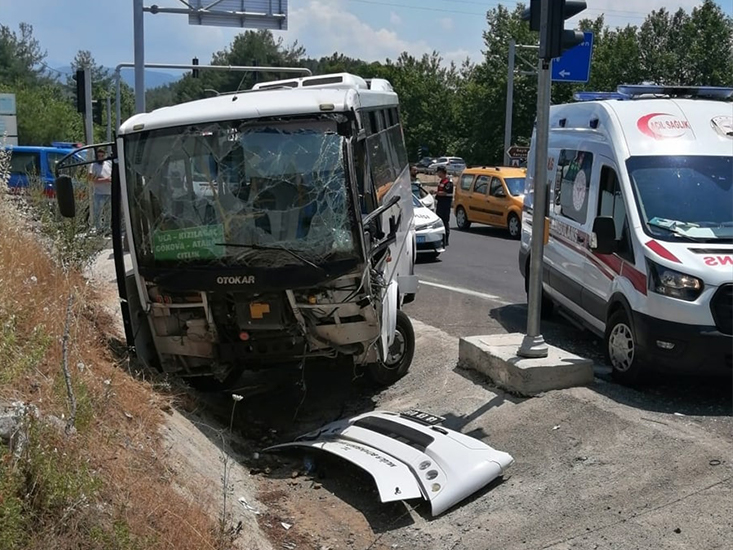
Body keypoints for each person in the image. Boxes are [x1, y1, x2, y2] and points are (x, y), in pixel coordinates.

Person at [88, 147, 112, 233]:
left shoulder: (108, 164)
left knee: (108, 213)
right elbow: (91, 179)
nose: (101, 157)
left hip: (109, 192)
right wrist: (105, 180)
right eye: (99, 156)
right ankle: (98, 228)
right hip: (99, 193)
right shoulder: (93, 166)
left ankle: (107, 228)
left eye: (102, 156)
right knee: (98, 212)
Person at [434, 166, 453, 246]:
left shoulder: (448, 182)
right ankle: (441, 238)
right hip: (440, 203)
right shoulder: (442, 181)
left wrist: (435, 192)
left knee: (445, 221)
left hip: (445, 204)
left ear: (442, 172)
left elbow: (445, 193)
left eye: (438, 172)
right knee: (440, 221)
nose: (437, 174)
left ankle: (446, 240)